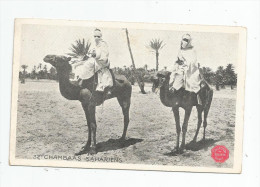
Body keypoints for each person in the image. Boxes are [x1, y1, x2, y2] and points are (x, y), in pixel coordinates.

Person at [72, 28, 113, 93]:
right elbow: (91, 53)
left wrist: (96, 55)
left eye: (98, 36)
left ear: (100, 36)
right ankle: (77, 77)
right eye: (95, 36)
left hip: (102, 62)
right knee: (79, 63)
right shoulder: (94, 45)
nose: (96, 38)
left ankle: (79, 80)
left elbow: (105, 55)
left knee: (88, 64)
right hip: (95, 60)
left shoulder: (103, 44)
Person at [170, 34, 202, 104]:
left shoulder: (193, 50)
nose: (184, 41)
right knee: (174, 76)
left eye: (186, 40)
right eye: (183, 39)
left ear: (189, 41)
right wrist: (178, 63)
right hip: (181, 67)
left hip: (190, 69)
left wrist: (186, 65)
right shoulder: (180, 50)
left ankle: (196, 98)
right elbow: (178, 59)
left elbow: (193, 61)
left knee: (192, 80)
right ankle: (175, 98)